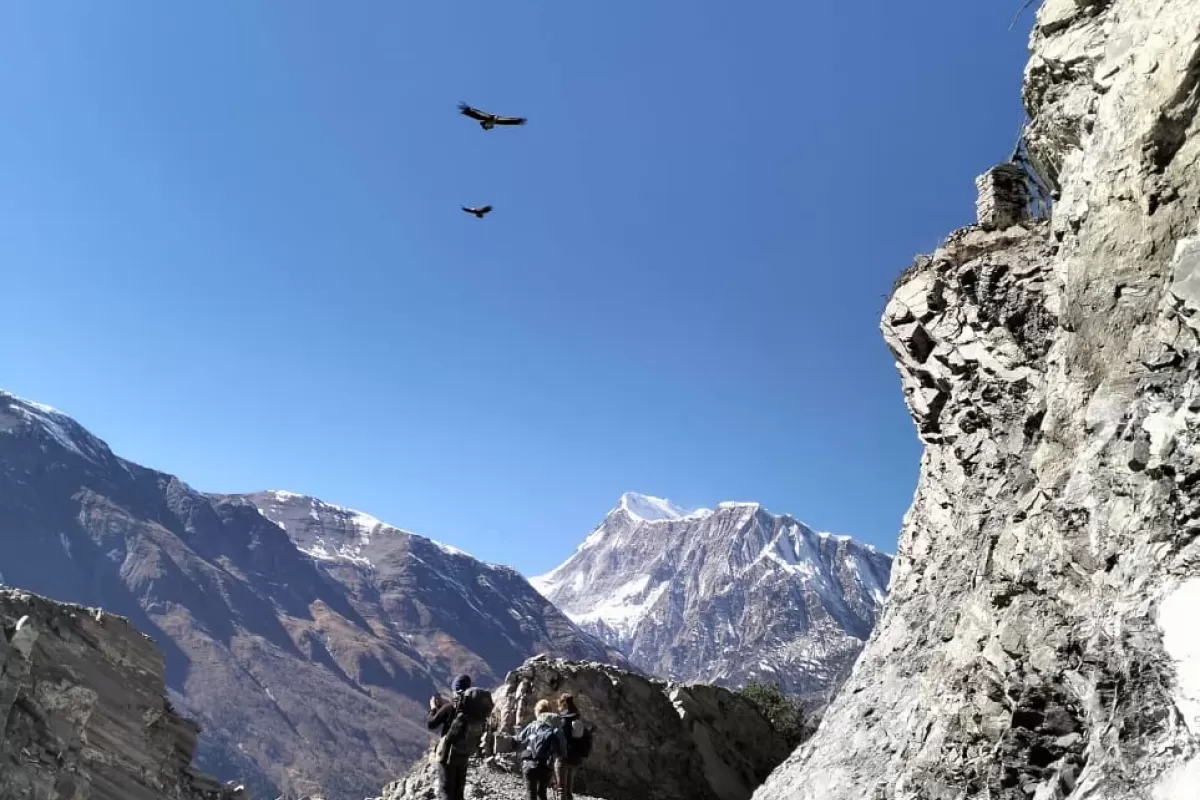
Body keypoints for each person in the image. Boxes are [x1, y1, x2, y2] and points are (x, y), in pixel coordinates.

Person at [427, 674, 474, 800]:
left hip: (448, 755)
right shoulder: (473, 710)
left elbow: (431, 723)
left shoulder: (450, 708)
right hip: (464, 755)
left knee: (446, 791)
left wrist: (433, 709)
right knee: (459, 793)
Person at [516, 699, 567, 800]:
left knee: (531, 794)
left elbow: (520, 738)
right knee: (542, 793)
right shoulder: (553, 727)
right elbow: (559, 748)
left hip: (528, 764)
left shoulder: (532, 725)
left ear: (537, 712)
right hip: (545, 766)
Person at [555, 693, 586, 800]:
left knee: (561, 789)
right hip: (575, 758)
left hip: (563, 757)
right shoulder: (577, 718)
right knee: (568, 789)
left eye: (560, 705)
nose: (559, 708)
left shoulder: (564, 721)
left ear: (564, 705)